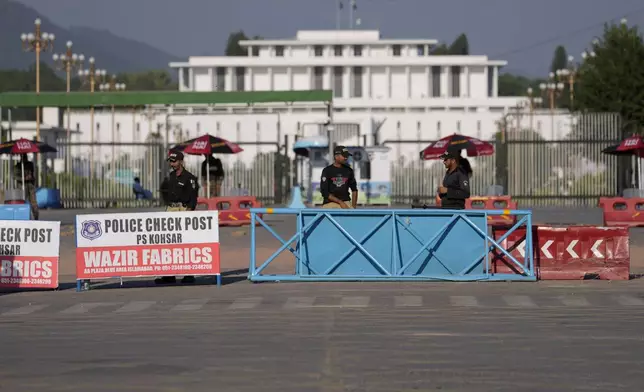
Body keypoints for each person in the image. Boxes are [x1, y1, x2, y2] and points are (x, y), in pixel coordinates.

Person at [156, 151, 200, 285]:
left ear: (181, 161)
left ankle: (189, 274)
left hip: (184, 210)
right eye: (170, 161)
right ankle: (169, 275)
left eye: (174, 161)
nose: (172, 164)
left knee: (185, 243)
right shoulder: (171, 176)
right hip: (171, 209)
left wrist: (190, 211)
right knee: (169, 242)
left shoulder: (190, 178)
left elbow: (193, 197)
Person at [15, 155, 38, 220]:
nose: (24, 158)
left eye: (25, 157)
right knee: (22, 201)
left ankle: (36, 216)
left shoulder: (30, 164)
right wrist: (24, 178)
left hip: (30, 184)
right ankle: (22, 217)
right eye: (23, 157)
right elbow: (15, 176)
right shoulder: (18, 166)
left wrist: (31, 177)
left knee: (33, 202)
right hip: (22, 185)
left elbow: (33, 173)